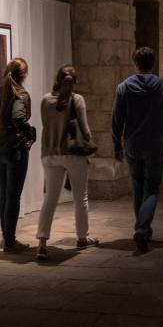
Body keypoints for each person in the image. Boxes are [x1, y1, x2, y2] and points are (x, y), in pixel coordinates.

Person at [112, 47, 163, 253]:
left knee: (138, 187)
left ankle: (143, 229)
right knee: (152, 189)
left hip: (132, 144)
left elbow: (117, 119)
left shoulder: (123, 88)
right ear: (153, 63)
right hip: (154, 144)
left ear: (136, 64)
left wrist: (117, 144)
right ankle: (141, 229)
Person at [35, 65, 98, 260]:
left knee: (50, 199)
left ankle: (42, 243)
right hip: (72, 153)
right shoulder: (76, 99)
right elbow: (85, 131)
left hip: (50, 154)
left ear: (57, 79)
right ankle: (82, 237)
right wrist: (90, 145)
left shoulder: (45, 100)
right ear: (74, 82)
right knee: (81, 198)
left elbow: (47, 126)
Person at [0, 58, 36, 254]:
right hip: (14, 150)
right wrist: (30, 133)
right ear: (23, 75)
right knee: (13, 196)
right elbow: (18, 118)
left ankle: (6, 237)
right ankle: (10, 242)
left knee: (4, 193)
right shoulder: (20, 94)